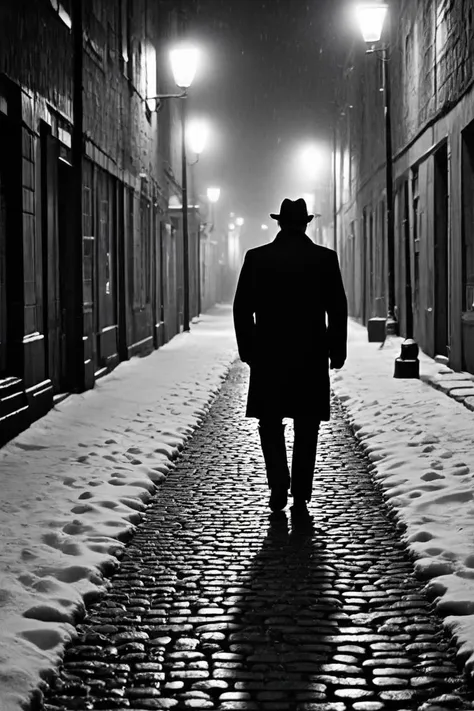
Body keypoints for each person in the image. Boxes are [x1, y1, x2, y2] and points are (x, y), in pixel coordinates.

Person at [233, 197, 348, 513]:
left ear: (280, 223)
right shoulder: (324, 259)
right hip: (310, 355)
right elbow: (337, 309)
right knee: (307, 425)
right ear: (306, 223)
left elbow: (242, 309)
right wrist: (336, 351)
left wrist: (249, 351)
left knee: (270, 423)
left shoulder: (257, 258)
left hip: (269, 355)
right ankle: (300, 492)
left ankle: (278, 488)